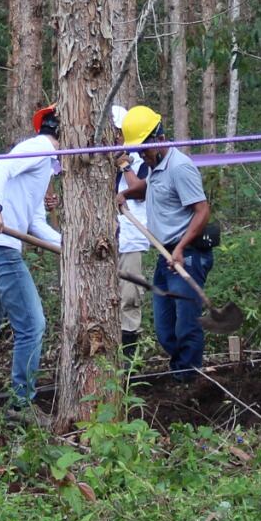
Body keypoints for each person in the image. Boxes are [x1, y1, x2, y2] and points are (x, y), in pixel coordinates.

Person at [0, 105, 63, 426]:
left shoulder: (45, 165)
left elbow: (35, 223)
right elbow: (0, 167)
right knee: (32, 324)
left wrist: (70, 247)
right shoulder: (41, 147)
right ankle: (21, 405)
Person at [120, 106, 211, 378]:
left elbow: (202, 210)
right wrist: (126, 193)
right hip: (164, 255)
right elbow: (148, 188)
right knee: (164, 326)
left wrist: (181, 248)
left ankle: (188, 378)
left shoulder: (180, 167)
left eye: (143, 150)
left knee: (186, 322)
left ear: (158, 140)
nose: (141, 156)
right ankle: (180, 368)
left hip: (187, 254)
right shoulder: (155, 167)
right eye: (137, 152)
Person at [111, 104, 152, 354]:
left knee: (129, 297)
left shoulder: (140, 159)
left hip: (132, 238)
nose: (115, 137)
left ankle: (128, 364)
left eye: (118, 131)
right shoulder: (102, 162)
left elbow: (142, 189)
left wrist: (125, 167)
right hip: (106, 239)